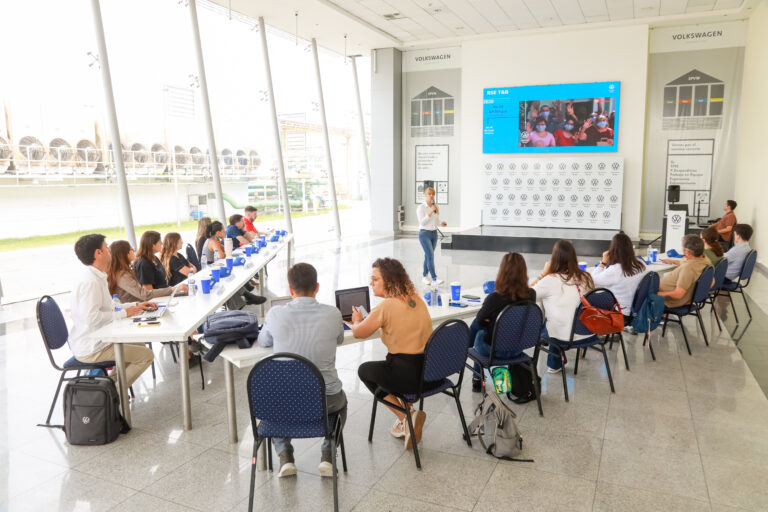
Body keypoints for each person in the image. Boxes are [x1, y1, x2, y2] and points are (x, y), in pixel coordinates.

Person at [257, 263, 346, 478]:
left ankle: (285, 456)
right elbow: (340, 339)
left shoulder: (276, 313)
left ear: (290, 290)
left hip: (285, 403)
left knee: (274, 403)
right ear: (317, 287)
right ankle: (327, 454)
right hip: (327, 400)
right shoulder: (333, 314)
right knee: (341, 402)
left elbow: (263, 342)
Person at [352, 258, 438, 450]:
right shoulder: (417, 300)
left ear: (389, 281)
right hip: (429, 374)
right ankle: (408, 416)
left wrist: (357, 320)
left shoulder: (385, 306)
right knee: (382, 377)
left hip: (405, 377)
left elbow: (359, 333)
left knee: (365, 371)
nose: (371, 283)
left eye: (375, 279)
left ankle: (405, 417)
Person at [69, 234, 155, 387]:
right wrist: (124, 313)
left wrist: (134, 306)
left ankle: (108, 388)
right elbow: (92, 318)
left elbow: (110, 307)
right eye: (106, 247)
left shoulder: (96, 276)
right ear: (98, 253)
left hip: (99, 338)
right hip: (92, 346)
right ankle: (113, 394)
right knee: (146, 356)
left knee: (140, 345)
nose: (110, 250)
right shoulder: (90, 282)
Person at [469, 252, 536, 392]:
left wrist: (490, 322)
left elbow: (480, 321)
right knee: (495, 333)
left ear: (502, 272)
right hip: (518, 348)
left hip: (494, 352)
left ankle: (477, 378)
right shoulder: (531, 294)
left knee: (479, 332)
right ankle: (502, 385)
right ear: (524, 272)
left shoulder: (494, 298)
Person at [530, 240, 594, 373]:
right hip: (587, 333)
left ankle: (555, 363)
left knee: (549, 322)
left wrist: (543, 274)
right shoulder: (586, 277)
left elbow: (525, 294)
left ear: (554, 259)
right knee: (559, 317)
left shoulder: (549, 280)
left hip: (563, 337)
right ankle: (556, 361)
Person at [107, 240, 186, 302]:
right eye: (131, 249)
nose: (134, 250)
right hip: (136, 310)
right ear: (125, 254)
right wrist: (173, 289)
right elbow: (144, 294)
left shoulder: (127, 269)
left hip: (142, 305)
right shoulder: (122, 275)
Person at [592, 233, 648, 318]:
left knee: (590, 298)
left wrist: (603, 262)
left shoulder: (616, 269)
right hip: (636, 310)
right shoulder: (640, 264)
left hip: (620, 313)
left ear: (613, 249)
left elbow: (593, 279)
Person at [658, 234, 710, 308]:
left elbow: (678, 294)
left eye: (683, 248)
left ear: (687, 252)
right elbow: (712, 282)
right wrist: (674, 261)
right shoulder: (705, 260)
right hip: (684, 298)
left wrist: (658, 294)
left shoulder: (688, 268)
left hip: (669, 301)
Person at [416, 187, 446, 285]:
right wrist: (430, 212)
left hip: (434, 234)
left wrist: (441, 223)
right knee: (430, 255)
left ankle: (424, 276)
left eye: (433, 194)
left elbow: (436, 221)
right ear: (425, 195)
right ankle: (434, 277)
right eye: (429, 194)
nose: (431, 195)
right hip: (424, 234)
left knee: (428, 256)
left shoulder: (435, 207)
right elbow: (422, 222)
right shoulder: (421, 207)